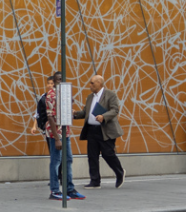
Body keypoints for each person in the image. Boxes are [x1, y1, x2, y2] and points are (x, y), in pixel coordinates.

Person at [34, 71, 85, 201]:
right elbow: (50, 117)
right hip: (55, 133)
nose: (59, 81)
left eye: (61, 79)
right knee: (56, 162)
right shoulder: (51, 95)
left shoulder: (65, 94)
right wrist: (57, 138)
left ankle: (70, 189)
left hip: (65, 131)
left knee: (68, 160)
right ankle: (55, 190)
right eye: (57, 79)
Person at [81, 73, 125, 188]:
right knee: (92, 156)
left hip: (105, 130)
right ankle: (95, 181)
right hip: (91, 130)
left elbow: (115, 110)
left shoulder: (110, 95)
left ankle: (119, 172)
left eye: (92, 83)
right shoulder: (90, 97)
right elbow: (86, 112)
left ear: (99, 83)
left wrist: (103, 116)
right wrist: (75, 114)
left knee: (108, 154)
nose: (90, 85)